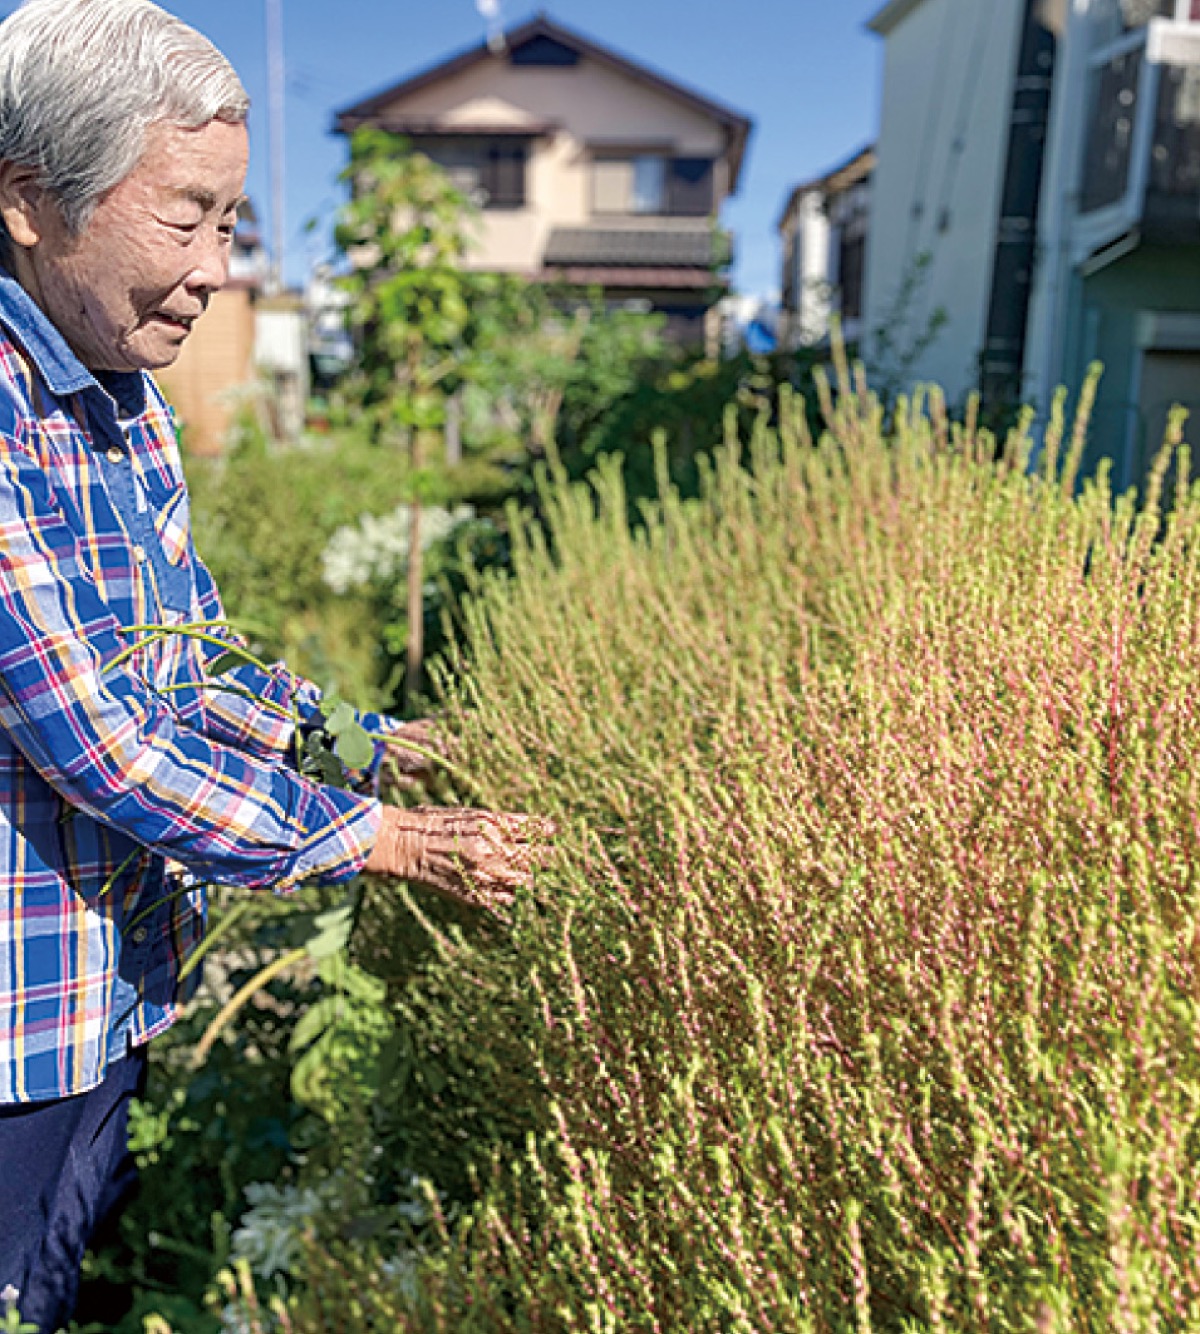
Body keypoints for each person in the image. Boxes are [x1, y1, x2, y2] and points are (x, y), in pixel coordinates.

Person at [0, 1, 541, 1328]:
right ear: (27, 202)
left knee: (65, 1280)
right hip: (12, 1029)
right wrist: (382, 837)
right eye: (185, 218)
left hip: (104, 993)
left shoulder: (125, 402)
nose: (214, 269)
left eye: (230, 226)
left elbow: (187, 666)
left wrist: (352, 737)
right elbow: (100, 739)